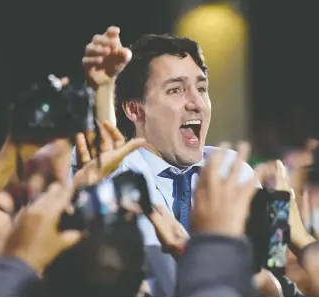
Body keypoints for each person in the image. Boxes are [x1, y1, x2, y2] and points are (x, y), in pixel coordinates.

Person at [76, 26, 258, 296]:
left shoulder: (230, 172)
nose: (196, 102)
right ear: (135, 109)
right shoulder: (121, 175)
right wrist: (103, 88)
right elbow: (102, 156)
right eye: (175, 90)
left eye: (201, 88)